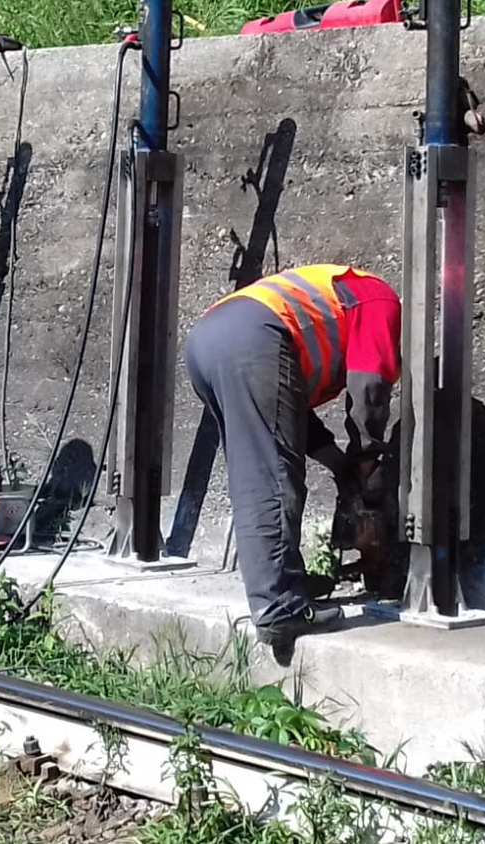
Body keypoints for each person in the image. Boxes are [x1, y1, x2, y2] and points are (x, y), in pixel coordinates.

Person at [183, 263, 402, 656]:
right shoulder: (380, 297)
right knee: (270, 477)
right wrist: (367, 455)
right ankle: (279, 607)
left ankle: (286, 583)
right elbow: (369, 383)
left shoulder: (335, 295)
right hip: (254, 336)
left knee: (256, 469)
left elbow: (288, 407)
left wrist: (338, 463)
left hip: (209, 339)